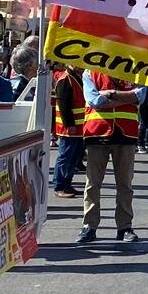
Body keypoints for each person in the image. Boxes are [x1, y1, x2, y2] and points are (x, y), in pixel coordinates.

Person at [77, 71, 139, 245]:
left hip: (126, 133)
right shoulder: (90, 71)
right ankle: (89, 226)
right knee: (92, 184)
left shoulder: (135, 69)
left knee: (125, 184)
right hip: (97, 133)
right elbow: (94, 101)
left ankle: (124, 227)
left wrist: (110, 94)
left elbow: (141, 95)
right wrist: (127, 98)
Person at [51, 64, 84, 198]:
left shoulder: (76, 77)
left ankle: (67, 184)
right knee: (65, 156)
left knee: (74, 157)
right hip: (70, 127)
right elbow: (63, 104)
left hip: (78, 126)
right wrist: (69, 124)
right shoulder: (65, 79)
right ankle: (60, 186)